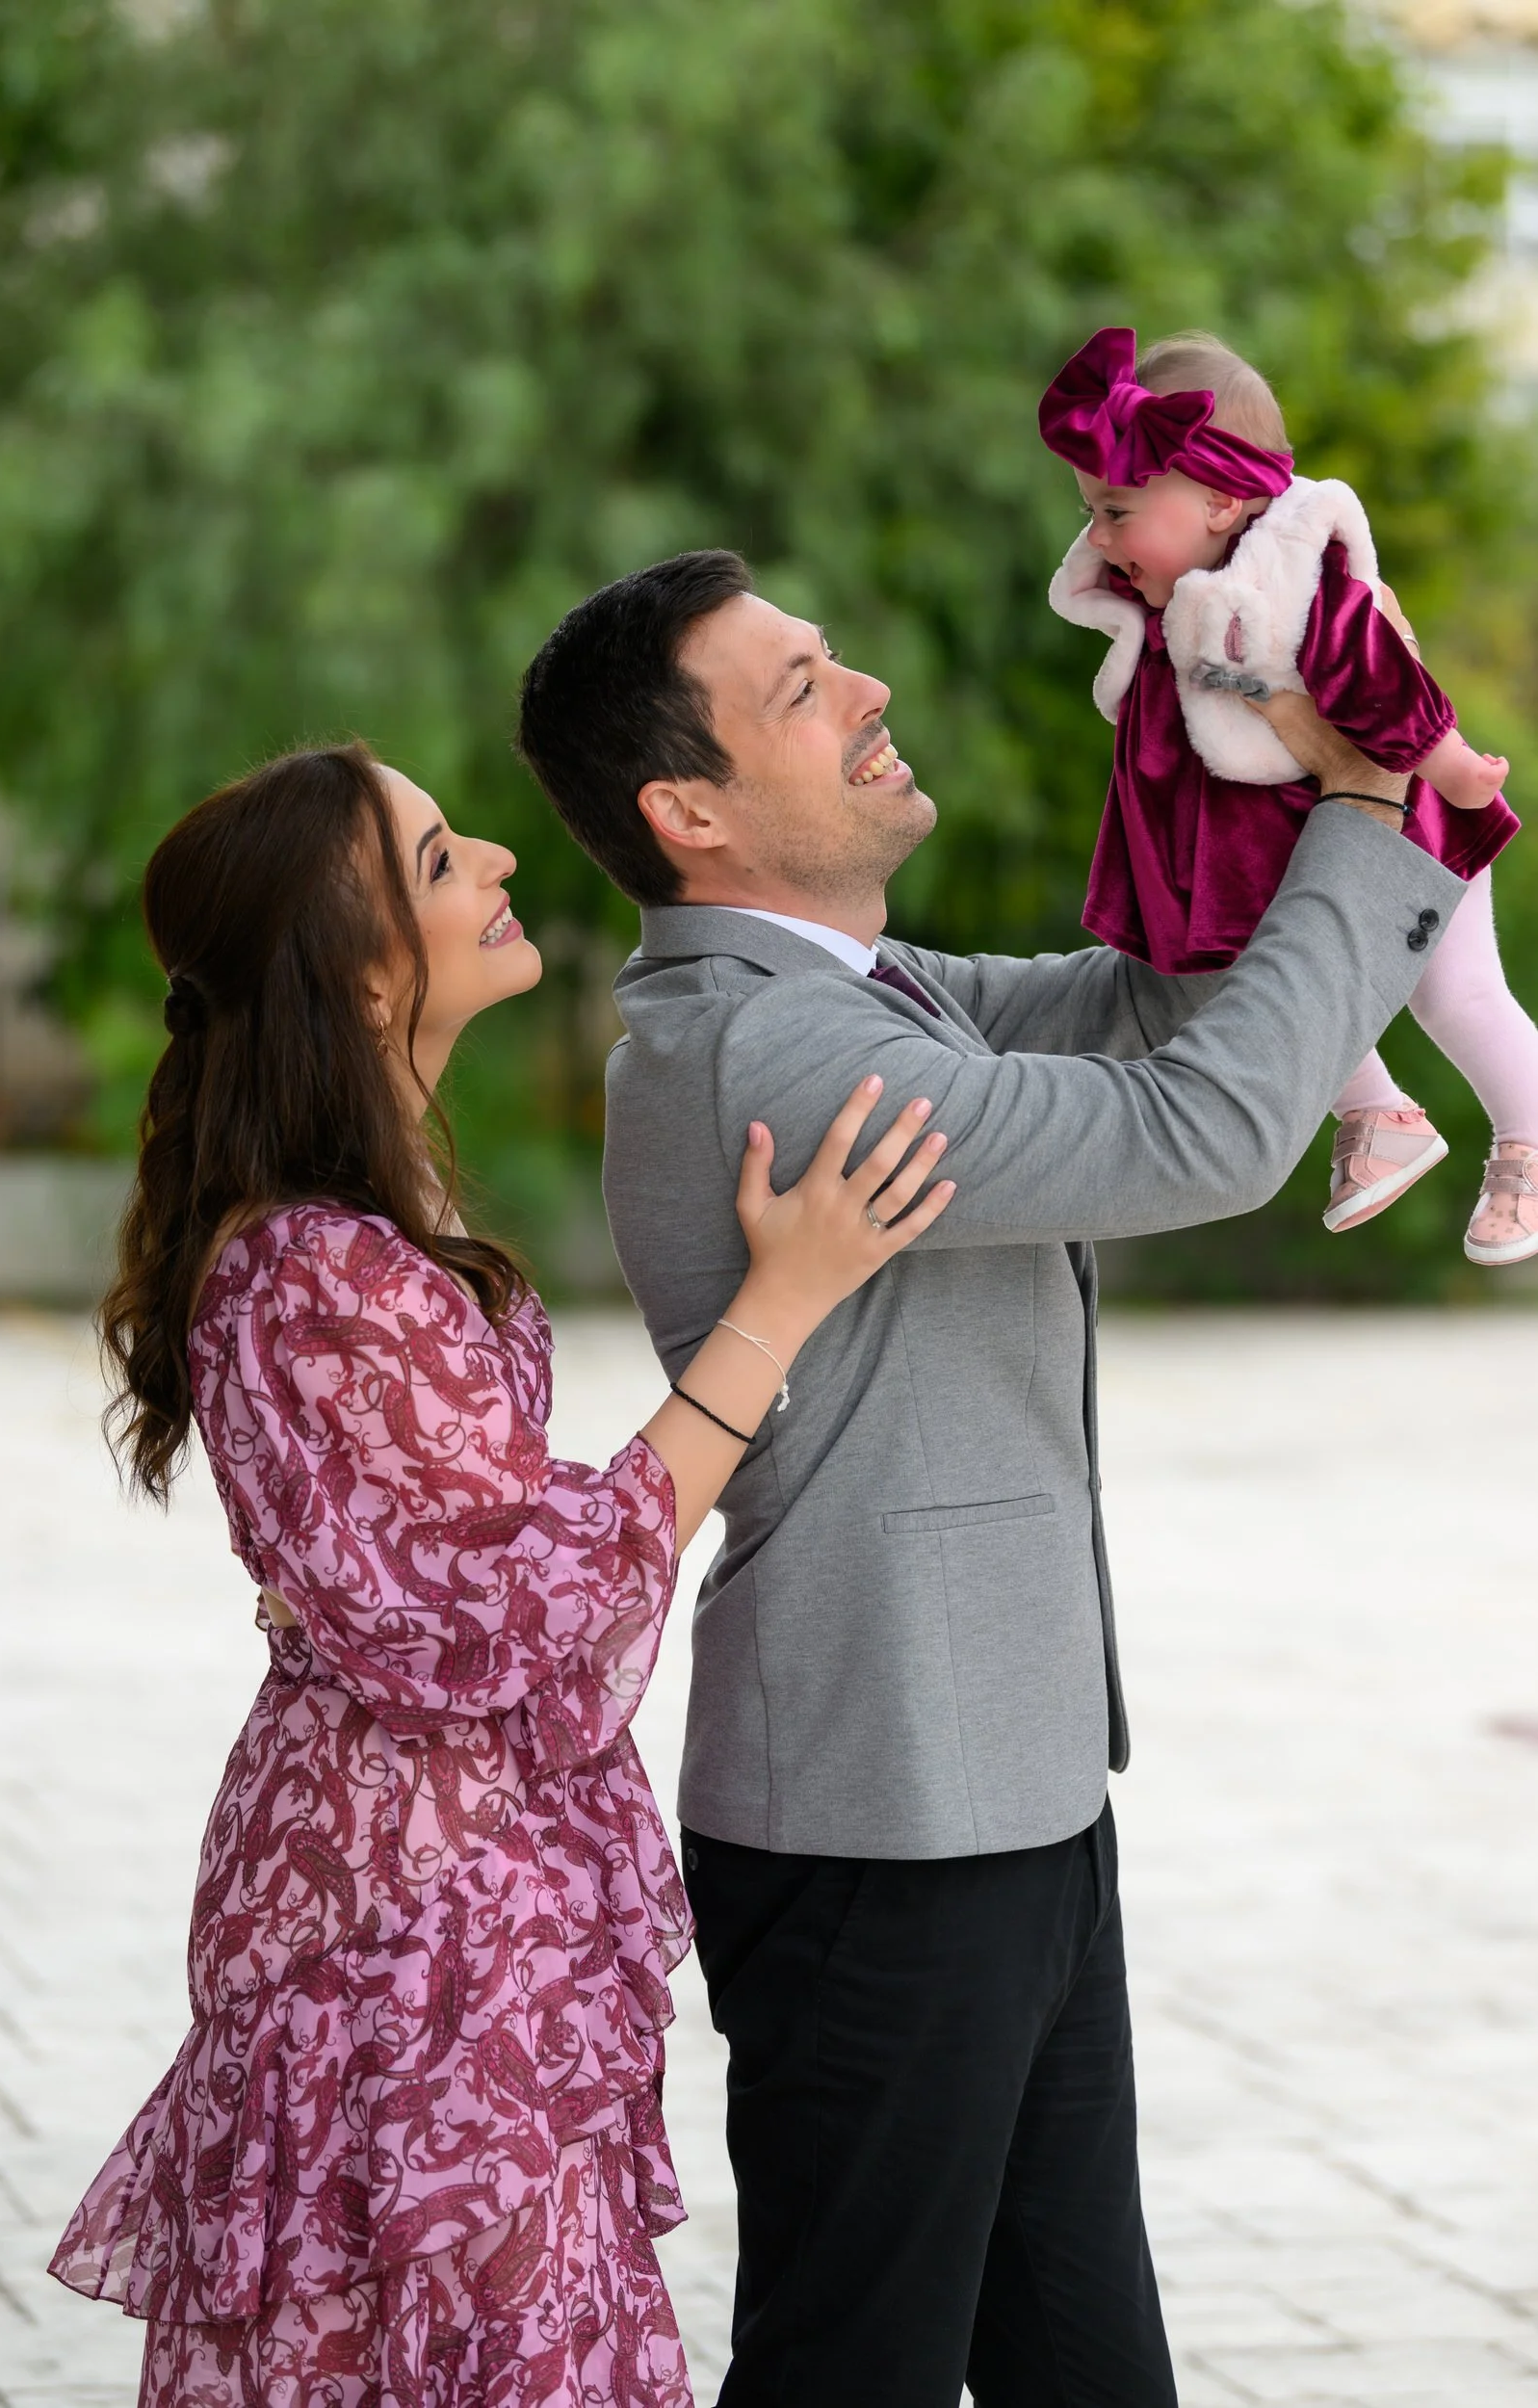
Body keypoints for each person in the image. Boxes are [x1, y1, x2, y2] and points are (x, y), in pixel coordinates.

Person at [516, 548, 1468, 2408]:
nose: (865, 688)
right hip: (879, 1814)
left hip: (1000, 1785)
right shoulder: (771, 1044)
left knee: (1082, 2361)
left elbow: (1138, 1003)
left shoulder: (872, 992)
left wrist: (1255, 761)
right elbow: (1199, 1130)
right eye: (800, 686)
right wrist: (1366, 817)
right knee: (852, 2366)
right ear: (686, 809)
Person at [46, 738, 955, 2407]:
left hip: (439, 1885)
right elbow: (499, 1610)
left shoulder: (356, 1228)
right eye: (444, 854)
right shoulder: (315, 1264)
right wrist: (779, 1307)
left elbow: (466, 1551)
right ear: (357, 949)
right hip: (407, 1919)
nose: (506, 865)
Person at [1040, 324, 1538, 1265]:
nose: (1097, 540)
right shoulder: (1176, 605)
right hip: (1273, 855)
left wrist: (1452, 769)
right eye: (1090, 514)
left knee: (1456, 994)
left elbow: (1378, 669)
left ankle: (1527, 1134)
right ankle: (1376, 1114)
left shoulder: (1290, 584)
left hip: (1404, 836)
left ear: (1223, 502)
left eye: (1114, 512)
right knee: (1252, 979)